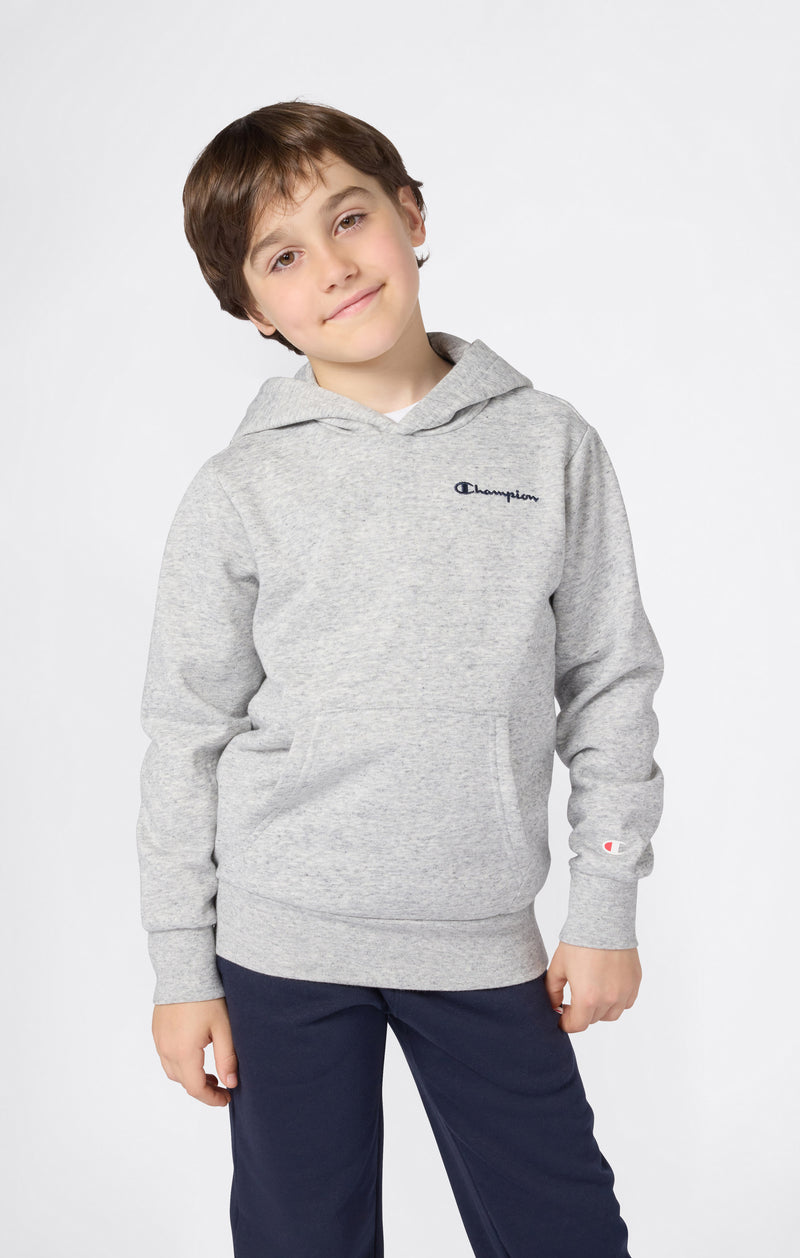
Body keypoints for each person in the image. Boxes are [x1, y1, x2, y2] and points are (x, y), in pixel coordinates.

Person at [136, 99, 665, 1258]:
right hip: (279, 949)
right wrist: (181, 969)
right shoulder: (237, 489)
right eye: (282, 256)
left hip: (479, 937)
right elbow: (186, 733)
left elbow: (608, 679)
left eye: (349, 219)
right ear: (252, 308)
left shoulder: (547, 444)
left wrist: (604, 902)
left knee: (562, 1232)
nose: (331, 267)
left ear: (410, 217)